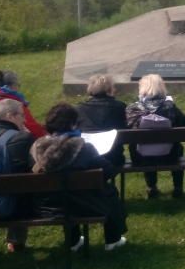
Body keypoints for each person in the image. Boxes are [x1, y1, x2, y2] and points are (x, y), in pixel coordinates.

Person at [30, 103, 128, 251]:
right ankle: (113, 239)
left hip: (49, 206)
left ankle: (73, 241)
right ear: (73, 124)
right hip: (85, 204)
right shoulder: (83, 148)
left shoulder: (37, 148)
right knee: (109, 192)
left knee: (65, 193)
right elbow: (108, 171)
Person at [0, 99, 36, 252]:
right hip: (17, 207)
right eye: (22, 115)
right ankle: (16, 241)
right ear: (10, 116)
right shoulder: (23, 138)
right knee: (24, 186)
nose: (24, 119)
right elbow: (34, 169)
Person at [125, 74, 185, 199]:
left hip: (141, 158)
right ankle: (178, 188)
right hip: (170, 156)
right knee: (177, 146)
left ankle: (151, 187)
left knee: (144, 145)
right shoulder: (170, 107)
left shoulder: (133, 109)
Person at [75, 74, 127, 170]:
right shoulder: (120, 107)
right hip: (114, 157)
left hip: (87, 158)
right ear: (110, 88)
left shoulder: (79, 109)